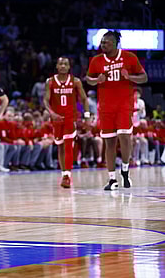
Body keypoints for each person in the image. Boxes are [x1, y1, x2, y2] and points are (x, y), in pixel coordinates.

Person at [86, 31, 148, 191]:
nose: (102, 45)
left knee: (125, 137)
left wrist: (130, 77)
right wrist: (96, 80)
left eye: (106, 42)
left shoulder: (129, 57)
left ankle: (125, 169)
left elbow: (144, 77)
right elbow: (88, 79)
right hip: (105, 107)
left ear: (114, 43)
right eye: (102, 42)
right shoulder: (96, 60)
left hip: (123, 105)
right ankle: (112, 178)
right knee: (110, 142)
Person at [44, 56, 89, 188]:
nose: (63, 66)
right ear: (57, 66)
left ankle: (67, 176)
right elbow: (46, 100)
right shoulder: (50, 81)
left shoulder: (76, 81)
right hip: (56, 119)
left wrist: (86, 116)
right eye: (60, 64)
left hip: (70, 118)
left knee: (69, 145)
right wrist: (51, 113)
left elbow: (84, 99)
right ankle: (64, 172)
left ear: (69, 67)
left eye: (65, 64)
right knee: (61, 146)